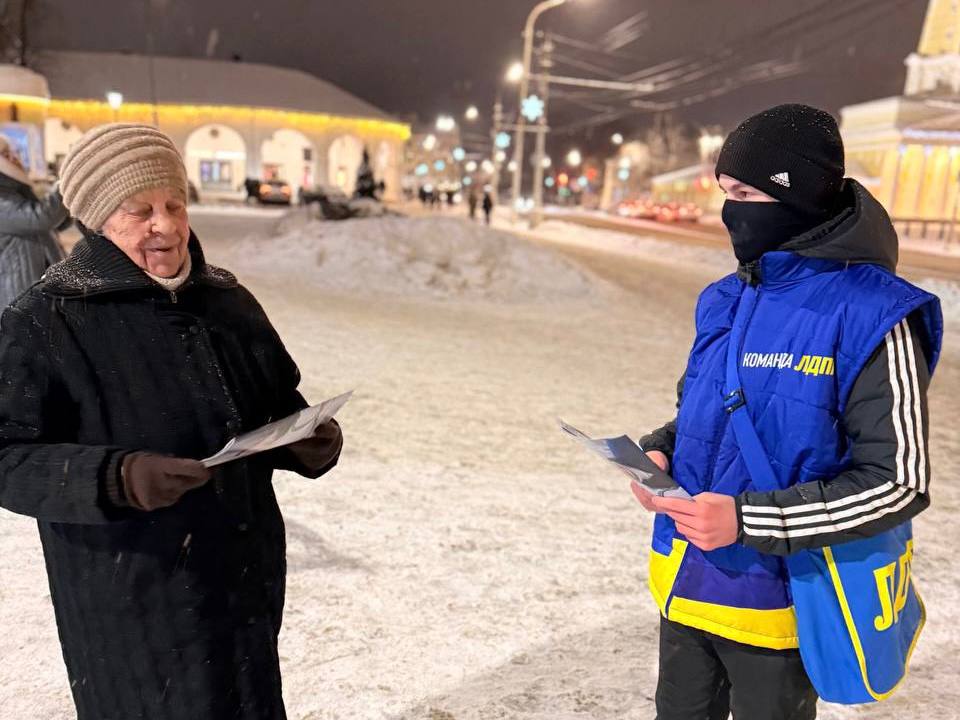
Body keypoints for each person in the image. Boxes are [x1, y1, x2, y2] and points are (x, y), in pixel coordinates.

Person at [0, 124, 344, 720]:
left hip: (242, 583)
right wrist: (115, 478)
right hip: (132, 602)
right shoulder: (44, 321)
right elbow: (7, 456)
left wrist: (305, 439)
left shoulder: (227, 301)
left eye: (175, 205)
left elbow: (274, 400)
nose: (166, 225)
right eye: (140, 211)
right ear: (97, 221)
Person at [632, 105, 942, 720]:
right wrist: (660, 450)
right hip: (686, 589)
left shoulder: (875, 315)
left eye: (745, 194)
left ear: (794, 196)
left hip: (781, 613)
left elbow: (898, 483)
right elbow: (704, 414)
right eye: (725, 191)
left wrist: (747, 521)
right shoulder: (723, 297)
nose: (731, 211)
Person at [0, 134, 68, 308]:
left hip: (39, 280)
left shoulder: (16, 190)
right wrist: (65, 184)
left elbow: (51, 225)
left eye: (12, 152)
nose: (14, 158)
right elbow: (40, 218)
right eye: (6, 154)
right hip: (19, 286)